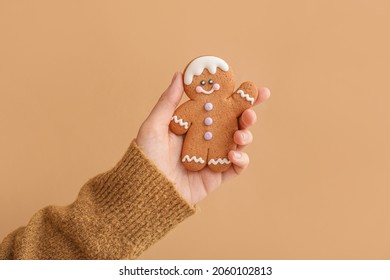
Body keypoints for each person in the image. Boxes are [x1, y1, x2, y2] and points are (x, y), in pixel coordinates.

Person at [0, 72, 270, 259]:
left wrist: (142, 191)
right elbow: (181, 121)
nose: (207, 85)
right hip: (196, 151)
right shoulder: (193, 106)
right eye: (202, 81)